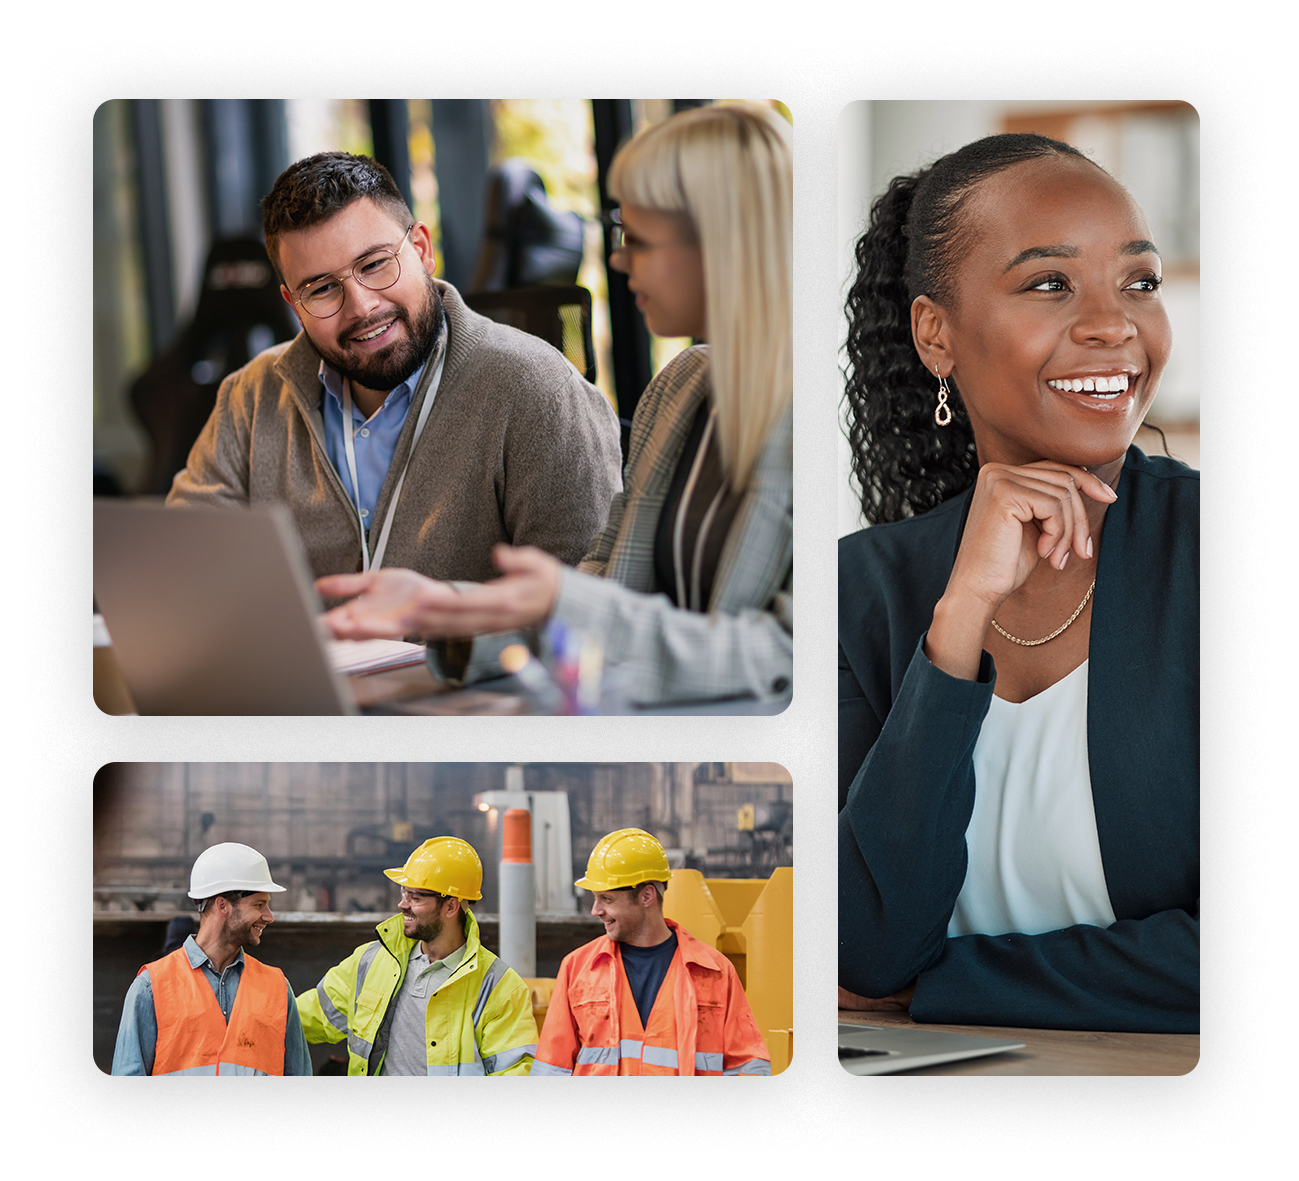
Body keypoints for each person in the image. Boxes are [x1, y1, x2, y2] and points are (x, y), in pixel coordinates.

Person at [838, 132, 1198, 1033]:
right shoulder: (860, 592)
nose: (1113, 324)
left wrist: (951, 984)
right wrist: (960, 615)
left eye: (1139, 282)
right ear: (936, 334)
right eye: (1049, 283)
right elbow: (864, 948)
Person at [314, 105, 793, 708]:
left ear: (722, 242)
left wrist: (559, 600)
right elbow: (605, 583)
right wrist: (452, 613)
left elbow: (783, 659)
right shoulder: (683, 389)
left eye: (638, 240)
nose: (619, 261)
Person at [167, 151, 622, 595]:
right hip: (300, 671)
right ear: (294, 305)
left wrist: (449, 636)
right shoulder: (251, 396)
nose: (362, 306)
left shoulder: (537, 391)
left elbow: (588, 610)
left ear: (422, 250)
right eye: (322, 289)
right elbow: (182, 566)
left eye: (375, 264)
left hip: (463, 672)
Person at [533, 828, 771, 1075]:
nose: (596, 910)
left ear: (646, 895)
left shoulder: (715, 973)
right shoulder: (577, 968)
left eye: (607, 899)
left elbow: (747, 1067)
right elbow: (551, 1067)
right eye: (595, 898)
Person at [296, 837, 537, 1075]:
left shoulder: (498, 986)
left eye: (416, 898)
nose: (403, 904)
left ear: (451, 906)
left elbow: (514, 1070)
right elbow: (305, 1015)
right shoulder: (371, 961)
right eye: (404, 893)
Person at [112, 842, 311, 1075]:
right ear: (222, 905)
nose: (269, 916)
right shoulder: (151, 987)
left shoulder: (278, 988)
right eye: (259, 905)